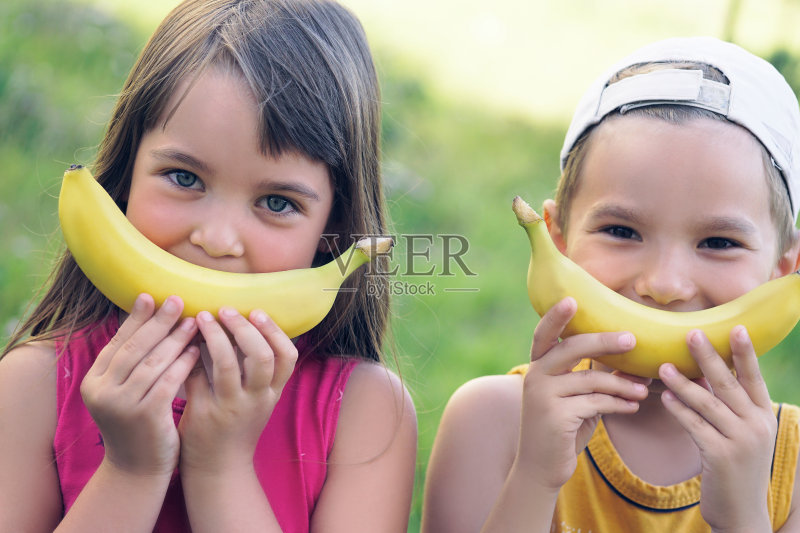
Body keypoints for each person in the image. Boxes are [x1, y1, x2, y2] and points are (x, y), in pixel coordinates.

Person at [0, 1, 417, 531]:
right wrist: (130, 471)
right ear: (125, 176)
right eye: (184, 177)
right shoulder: (32, 386)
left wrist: (220, 466)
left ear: (332, 232)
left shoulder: (365, 413)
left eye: (277, 203)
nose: (218, 241)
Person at [422, 36, 800, 532]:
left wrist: (744, 519)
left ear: (784, 268)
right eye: (622, 232)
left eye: (718, 241)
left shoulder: (789, 468)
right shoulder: (491, 424)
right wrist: (535, 478)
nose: (664, 285)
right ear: (557, 240)